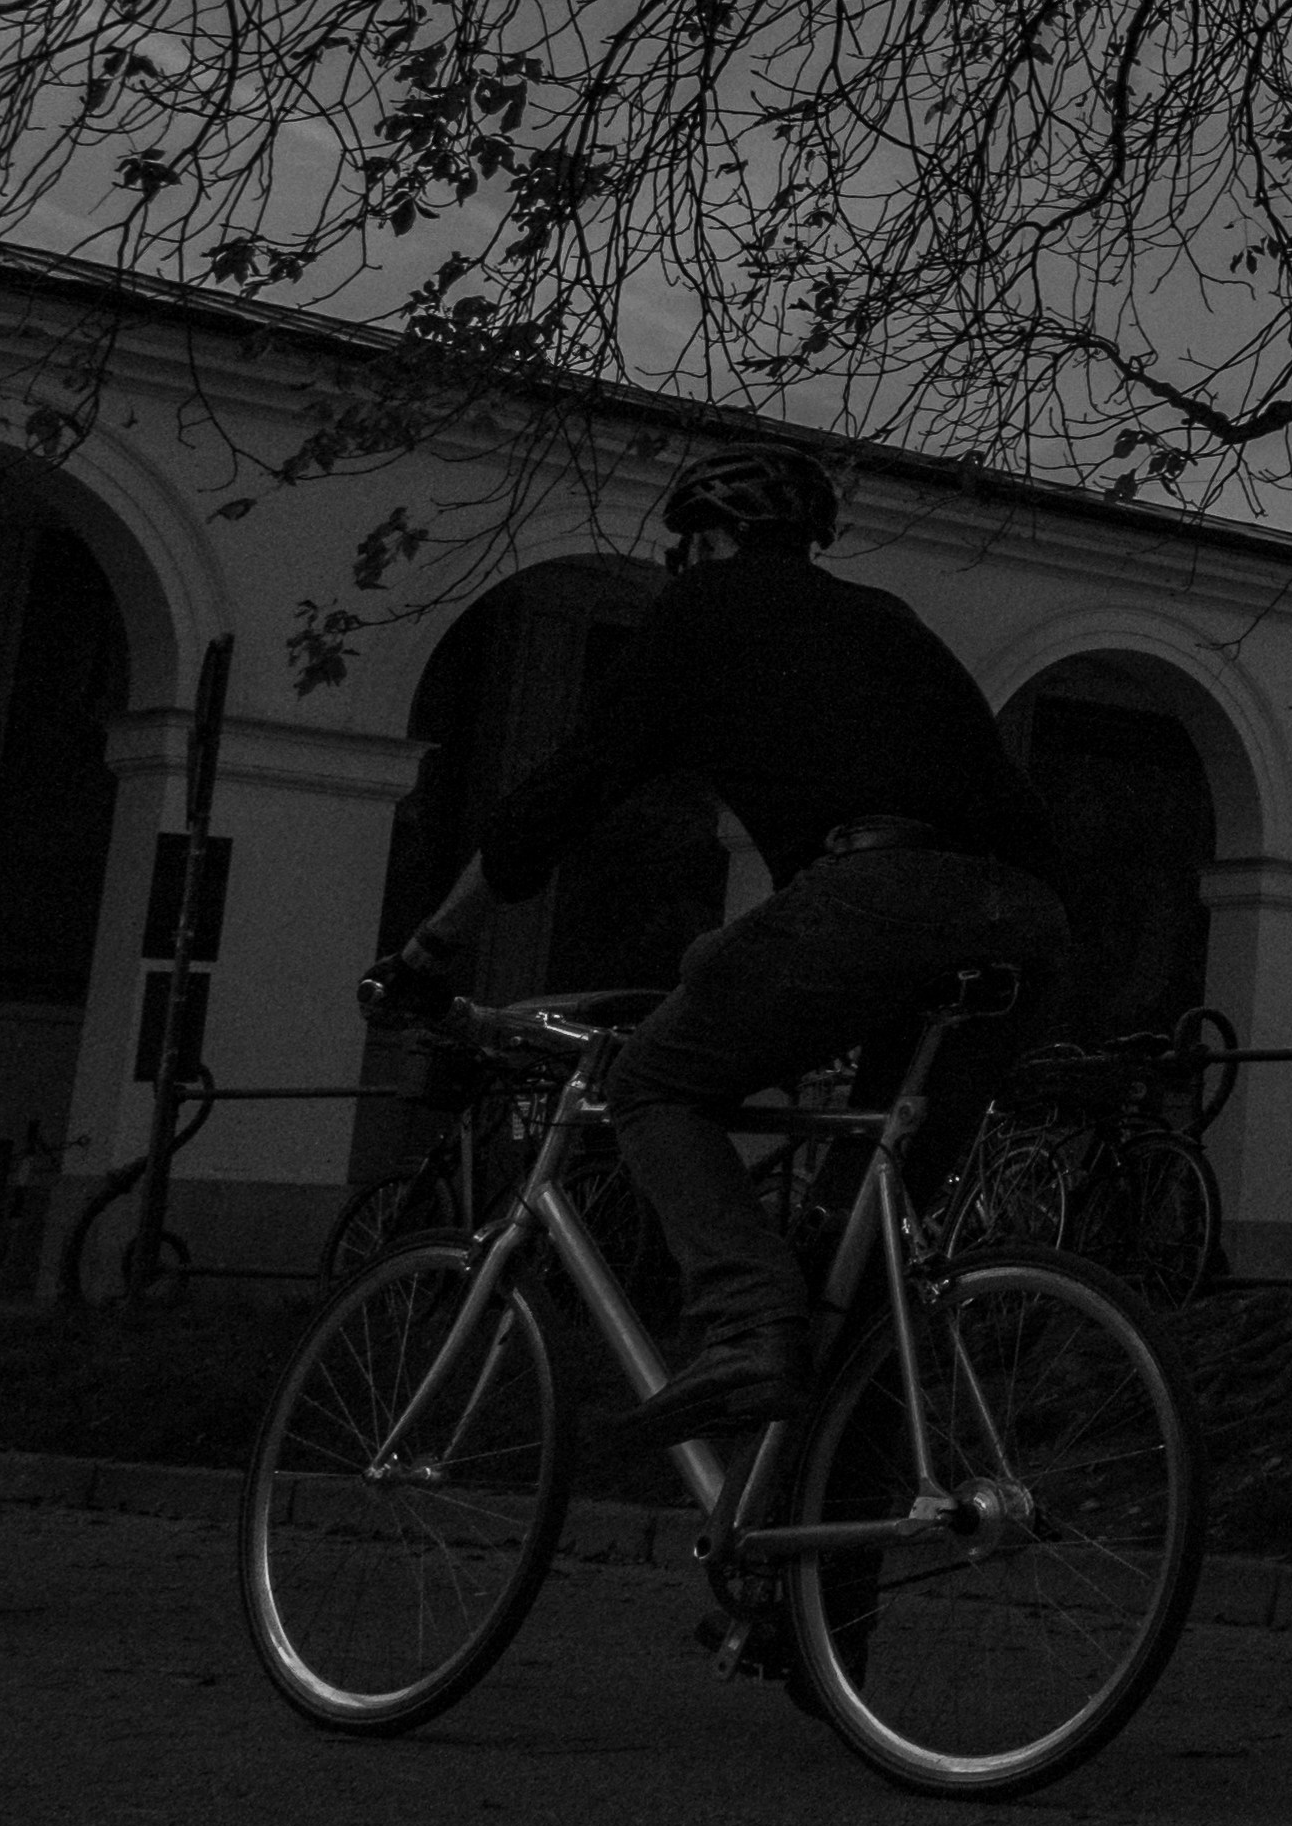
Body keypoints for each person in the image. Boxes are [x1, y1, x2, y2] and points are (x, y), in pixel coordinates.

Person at [371, 445, 1069, 1449]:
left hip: (874, 897)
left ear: (712, 538)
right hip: (1023, 921)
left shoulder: (703, 607)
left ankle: (742, 1318)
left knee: (655, 1084)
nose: (679, 566)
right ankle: (809, 1594)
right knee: (856, 1279)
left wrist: (433, 949)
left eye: (683, 548)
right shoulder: (887, 620)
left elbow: (571, 788)